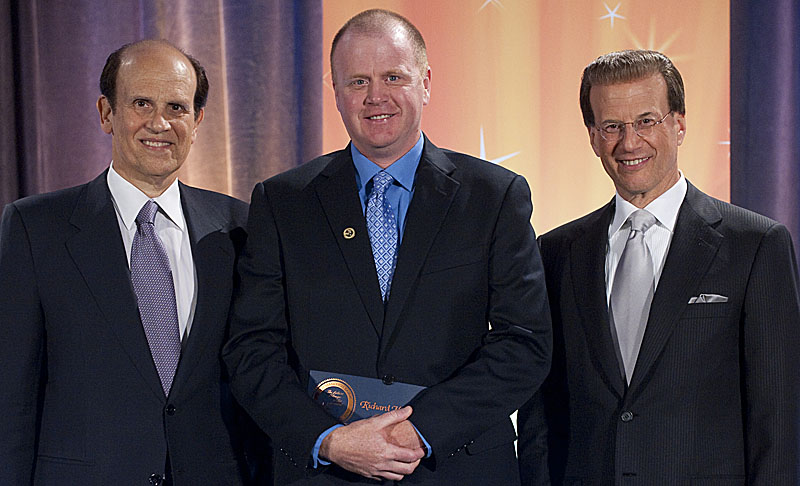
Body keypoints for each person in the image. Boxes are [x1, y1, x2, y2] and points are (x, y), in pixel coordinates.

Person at [223, 8, 552, 485]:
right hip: (326, 473)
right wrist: (328, 440)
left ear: (426, 83)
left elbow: (524, 343)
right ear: (336, 92)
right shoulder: (282, 202)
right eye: (357, 81)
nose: (376, 96)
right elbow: (252, 350)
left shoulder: (494, 196)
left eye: (393, 77)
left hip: (456, 467)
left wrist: (419, 431)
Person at [517, 49, 800, 484]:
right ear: (593, 137)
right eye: (612, 126)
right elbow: (541, 413)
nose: (629, 142)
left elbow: (778, 421)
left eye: (646, 121)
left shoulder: (755, 245)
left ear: (679, 124)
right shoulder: (555, 252)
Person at [0, 40, 255, 485]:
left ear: (197, 121)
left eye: (176, 107)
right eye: (141, 104)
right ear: (106, 113)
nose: (159, 123)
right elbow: (12, 397)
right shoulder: (35, 228)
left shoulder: (240, 228)